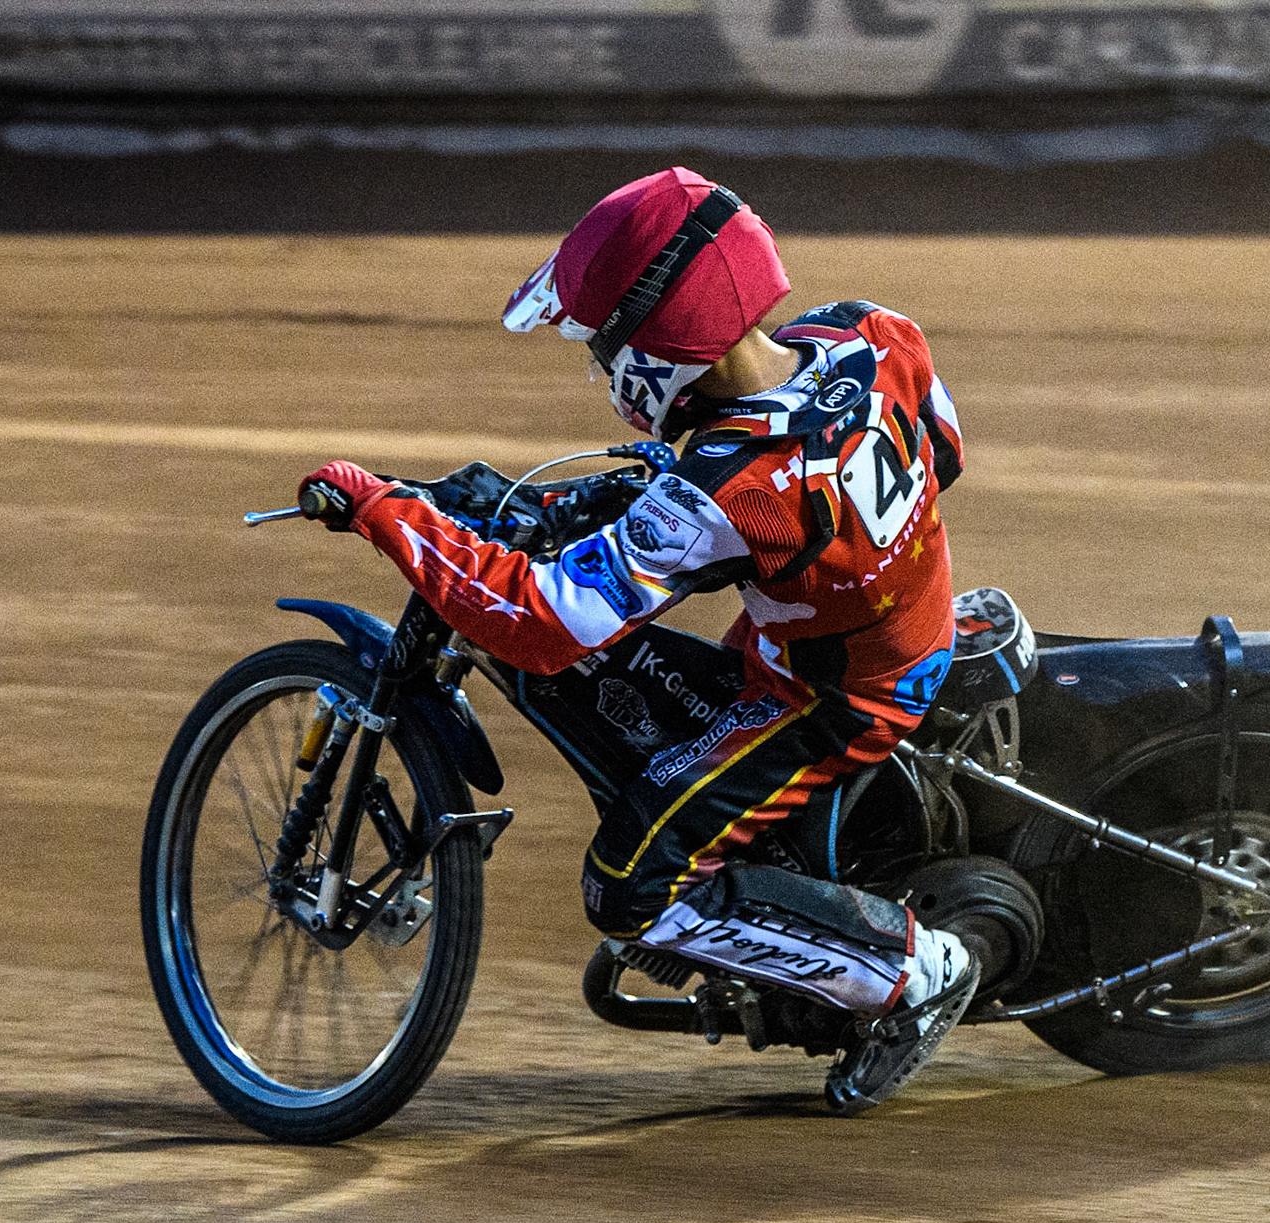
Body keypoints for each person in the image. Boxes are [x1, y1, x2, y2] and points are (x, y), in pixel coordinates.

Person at [300, 166, 975, 1114]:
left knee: (628, 887)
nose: (597, 365)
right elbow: (945, 449)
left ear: (655, 343)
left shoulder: (731, 488)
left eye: (602, 344)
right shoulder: (870, 333)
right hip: (903, 620)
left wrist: (387, 512)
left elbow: (544, 624)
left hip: (831, 698)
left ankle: (912, 973)